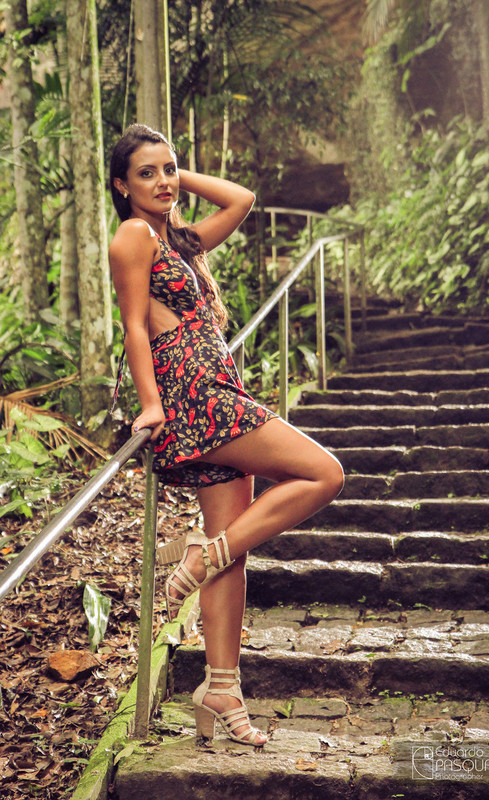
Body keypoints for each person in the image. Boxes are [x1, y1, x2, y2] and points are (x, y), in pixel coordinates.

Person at [108, 123, 344, 747]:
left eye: (170, 169)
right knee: (325, 473)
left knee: (233, 548)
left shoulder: (177, 239)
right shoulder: (133, 235)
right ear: (120, 185)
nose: (163, 182)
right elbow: (135, 327)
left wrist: (175, 182)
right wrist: (152, 404)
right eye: (147, 173)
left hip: (218, 386)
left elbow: (240, 199)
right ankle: (200, 557)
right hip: (194, 395)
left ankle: (221, 688)